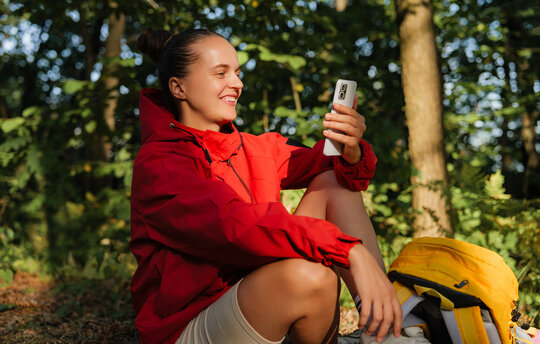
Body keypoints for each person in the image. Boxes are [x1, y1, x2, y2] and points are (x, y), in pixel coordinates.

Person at [130, 28, 402, 344]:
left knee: (333, 182)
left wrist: (350, 147)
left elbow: (334, 167)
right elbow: (232, 225)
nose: (237, 83)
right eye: (221, 73)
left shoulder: (251, 148)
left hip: (253, 300)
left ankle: (385, 333)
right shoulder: (161, 161)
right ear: (178, 87)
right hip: (187, 325)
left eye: (237, 72)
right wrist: (348, 250)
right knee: (310, 277)